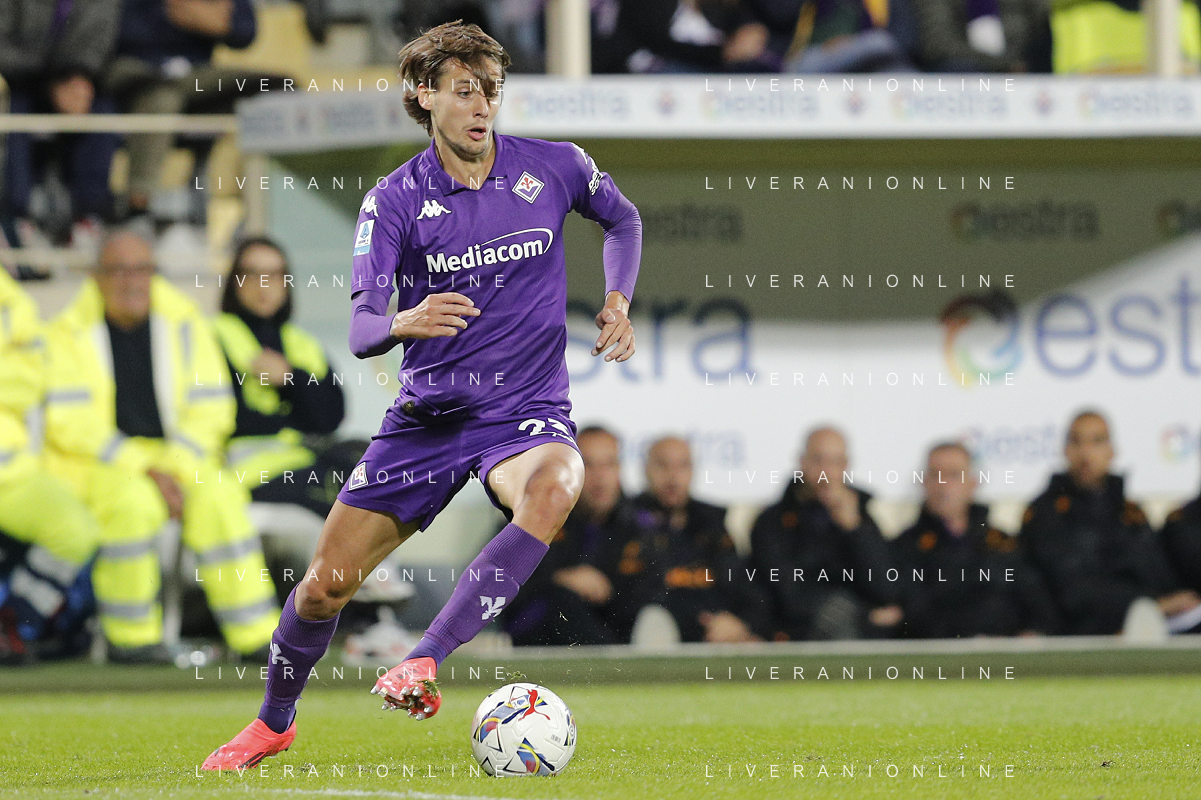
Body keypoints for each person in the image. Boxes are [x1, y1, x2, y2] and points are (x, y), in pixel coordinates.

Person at [202, 21, 642, 770]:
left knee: (555, 485)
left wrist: (617, 301)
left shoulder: (555, 166)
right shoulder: (394, 201)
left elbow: (622, 220)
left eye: (491, 90)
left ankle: (424, 657)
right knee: (322, 590)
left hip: (523, 411)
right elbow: (362, 331)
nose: (482, 106)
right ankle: (273, 722)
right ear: (424, 95)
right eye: (464, 91)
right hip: (428, 422)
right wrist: (404, 320)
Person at [42, 227, 278, 662]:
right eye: (119, 270)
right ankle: (130, 640)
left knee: (221, 497)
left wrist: (171, 467)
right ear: (97, 276)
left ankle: (258, 637)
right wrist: (144, 466)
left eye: (142, 269)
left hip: (179, 459)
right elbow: (71, 424)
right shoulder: (66, 332)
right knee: (131, 505)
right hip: (101, 464)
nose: (132, 281)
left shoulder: (186, 323)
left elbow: (212, 409)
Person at [1021, 411, 1201, 635]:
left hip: (1146, 625)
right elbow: (1071, 592)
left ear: (1112, 451)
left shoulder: (1131, 514)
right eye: (1077, 442)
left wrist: (1170, 603)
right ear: (1065, 450)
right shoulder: (1045, 514)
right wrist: (1152, 606)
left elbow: (1158, 576)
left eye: (1096, 441)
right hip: (1078, 634)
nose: (1085, 453)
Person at [0, 266, 101, 662]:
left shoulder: (14, 302)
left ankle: (12, 621)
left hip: (9, 472)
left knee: (75, 530)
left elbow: (26, 384)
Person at [214, 236, 348, 517]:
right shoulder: (213, 335)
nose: (264, 285)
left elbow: (332, 416)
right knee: (347, 496)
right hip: (251, 470)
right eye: (252, 274)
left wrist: (290, 377)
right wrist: (296, 419)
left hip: (307, 459)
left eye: (274, 275)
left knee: (376, 474)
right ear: (235, 281)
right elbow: (231, 420)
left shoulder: (302, 342)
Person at [748, 426, 902, 641]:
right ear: (802, 462)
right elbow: (789, 594)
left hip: (861, 631)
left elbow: (886, 589)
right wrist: (864, 614)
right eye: (818, 460)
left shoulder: (861, 519)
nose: (825, 472)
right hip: (800, 631)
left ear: (846, 466)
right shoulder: (773, 523)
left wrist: (855, 530)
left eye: (835, 462)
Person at [892, 442, 1057, 638]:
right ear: (923, 482)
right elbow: (913, 613)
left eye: (954, 475)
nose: (942, 484)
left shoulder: (1004, 544)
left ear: (973, 482)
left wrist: (1030, 636)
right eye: (935, 475)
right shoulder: (905, 548)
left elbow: (1038, 604)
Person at [0, 0, 121, 248]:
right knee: (13, 108)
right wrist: (53, 79)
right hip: (22, 81)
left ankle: (88, 217)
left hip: (76, 81)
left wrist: (75, 75)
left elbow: (100, 41)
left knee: (101, 108)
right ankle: (18, 217)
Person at [501, 425, 636, 645]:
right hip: (540, 632)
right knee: (561, 602)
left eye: (608, 464)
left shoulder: (638, 523)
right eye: (588, 465)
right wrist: (561, 580)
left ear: (620, 469)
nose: (600, 477)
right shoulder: (533, 515)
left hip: (609, 629)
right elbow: (499, 581)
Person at [624, 436, 761, 643]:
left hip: (717, 633)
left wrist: (739, 622)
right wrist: (699, 621)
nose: (672, 476)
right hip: (660, 632)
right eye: (662, 465)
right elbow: (632, 597)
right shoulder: (626, 520)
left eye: (682, 466)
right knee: (653, 622)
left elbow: (743, 586)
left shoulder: (712, 522)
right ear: (645, 469)